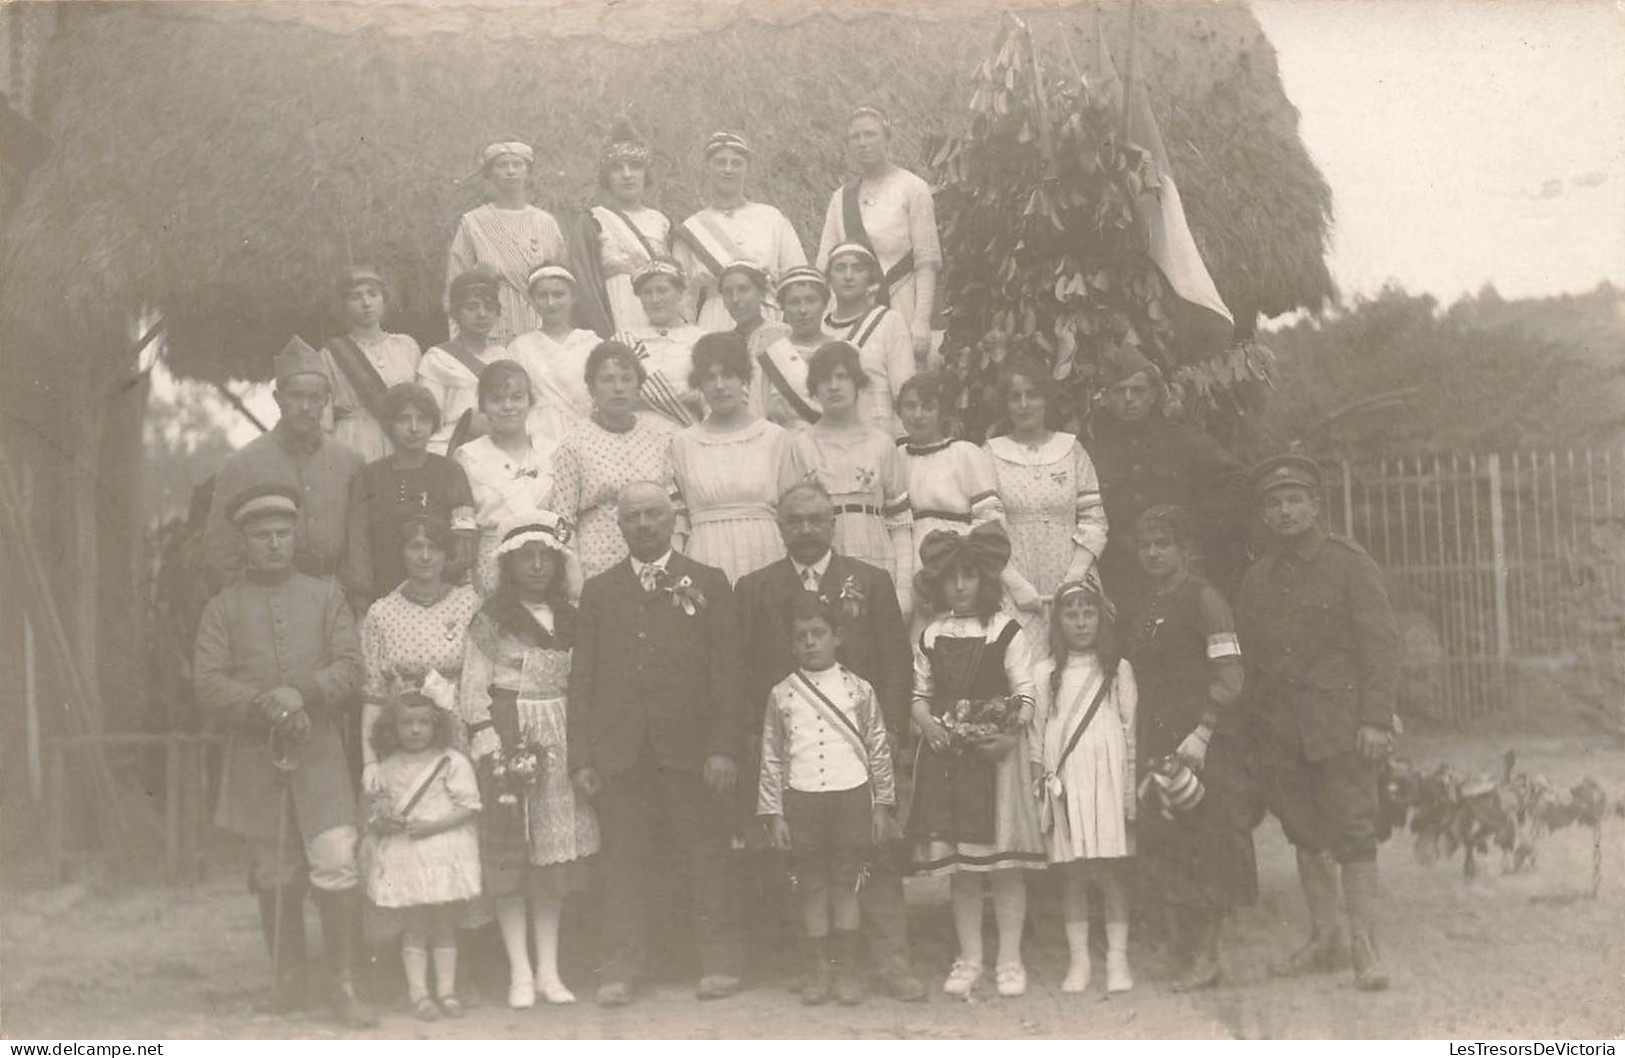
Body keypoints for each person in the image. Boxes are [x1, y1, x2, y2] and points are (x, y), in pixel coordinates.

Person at [192, 484, 374, 1027]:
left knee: (337, 859)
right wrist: (261, 703)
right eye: (261, 536)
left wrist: (306, 692)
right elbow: (206, 682)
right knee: (274, 870)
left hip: (319, 757)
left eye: (282, 534)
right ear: (243, 542)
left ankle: (343, 986)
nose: (274, 544)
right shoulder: (222, 608)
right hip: (256, 757)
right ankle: (288, 984)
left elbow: (351, 665)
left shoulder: (326, 596)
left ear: (295, 536)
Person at [736, 481, 924, 1002]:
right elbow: (746, 672)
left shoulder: (870, 580)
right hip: (795, 753)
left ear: (833, 522)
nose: (807, 529)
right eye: (795, 520)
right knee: (806, 868)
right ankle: (815, 966)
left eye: (817, 518)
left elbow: (895, 663)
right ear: (779, 526)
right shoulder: (755, 588)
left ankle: (890, 963)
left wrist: (890, 737)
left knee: (875, 861)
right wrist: (754, 736)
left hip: (861, 753)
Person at [567, 483, 745, 1006]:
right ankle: (621, 966)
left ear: (672, 521)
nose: (643, 525)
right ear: (618, 527)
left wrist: (724, 748)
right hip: (623, 753)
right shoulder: (600, 592)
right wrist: (583, 758)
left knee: (705, 854)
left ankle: (720, 961)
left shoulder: (708, 582)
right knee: (623, 862)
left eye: (653, 515)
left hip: (691, 751)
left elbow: (727, 674)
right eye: (632, 518)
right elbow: (583, 680)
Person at [1237, 453, 1400, 993]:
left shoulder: (1349, 563)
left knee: (1354, 830)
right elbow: (1253, 659)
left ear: (1314, 506)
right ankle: (1325, 937)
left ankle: (1364, 945)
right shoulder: (1258, 577)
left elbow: (1380, 645)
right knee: (1303, 830)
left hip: (1340, 723)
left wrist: (1376, 720)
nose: (1284, 512)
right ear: (1263, 514)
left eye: (1294, 500)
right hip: (1283, 727)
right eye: (1274, 504)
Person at [460, 509, 598, 1009]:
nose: (537, 566)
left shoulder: (572, 615)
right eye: (527, 558)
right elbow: (473, 691)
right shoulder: (492, 619)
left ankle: (548, 970)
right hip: (513, 736)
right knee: (516, 857)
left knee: (550, 866)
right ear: (509, 565)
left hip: (561, 738)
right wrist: (491, 747)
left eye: (546, 557)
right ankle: (518, 971)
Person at [908, 524, 1045, 998]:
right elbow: (919, 693)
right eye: (951, 578)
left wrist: (1009, 732)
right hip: (949, 759)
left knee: (1003, 867)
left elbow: (1025, 692)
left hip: (995, 760)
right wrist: (926, 722)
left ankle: (1009, 958)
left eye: (969, 576)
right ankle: (969, 957)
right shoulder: (931, 633)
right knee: (963, 870)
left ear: (985, 581)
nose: (960, 586)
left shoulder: (1005, 629)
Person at [1123, 504, 1255, 993]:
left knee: (1207, 842)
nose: (1154, 553)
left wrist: (1203, 731)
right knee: (1170, 841)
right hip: (1159, 736)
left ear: (1185, 548)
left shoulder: (1205, 599)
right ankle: (1185, 951)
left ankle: (1208, 955)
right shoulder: (1149, 602)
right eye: (1146, 545)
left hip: (1202, 739)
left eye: (1164, 543)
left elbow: (1231, 675)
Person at [758, 593, 898, 1007]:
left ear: (838, 637)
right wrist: (774, 813)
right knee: (812, 886)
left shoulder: (859, 690)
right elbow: (770, 754)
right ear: (791, 644)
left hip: (851, 796)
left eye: (818, 633)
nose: (810, 642)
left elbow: (878, 748)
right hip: (802, 799)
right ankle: (818, 968)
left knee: (846, 883)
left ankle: (848, 969)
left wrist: (882, 804)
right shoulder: (781, 694)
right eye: (800, 636)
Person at [1032, 576, 1137, 996]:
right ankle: (1079, 961)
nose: (1080, 623)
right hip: (1067, 779)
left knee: (1111, 872)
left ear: (1101, 618)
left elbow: (1130, 732)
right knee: (1073, 873)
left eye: (1088, 613)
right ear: (1057, 621)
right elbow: (1036, 736)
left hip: (1108, 777)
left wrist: (1128, 791)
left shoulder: (1118, 670)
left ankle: (1118, 958)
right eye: (1070, 614)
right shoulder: (1045, 673)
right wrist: (1039, 785)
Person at [1090, 346, 1248, 610]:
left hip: (1183, 576)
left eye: (1138, 390)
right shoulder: (1095, 451)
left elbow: (1239, 481)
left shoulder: (1185, 440)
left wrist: (1195, 528)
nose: (1129, 399)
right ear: (1107, 398)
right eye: (1120, 391)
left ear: (1152, 394)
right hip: (1120, 581)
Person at [203, 337, 363, 593]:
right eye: (296, 396)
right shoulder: (241, 465)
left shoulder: (351, 462)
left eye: (314, 397)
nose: (305, 407)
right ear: (278, 398)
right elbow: (221, 550)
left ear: (326, 401)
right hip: (268, 601)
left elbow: (359, 545)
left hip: (335, 600)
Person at [362, 692, 482, 1021]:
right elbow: (376, 811)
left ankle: (447, 992)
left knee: (444, 924)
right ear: (392, 728)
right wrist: (383, 820)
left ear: (436, 725)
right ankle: (420, 995)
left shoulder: (452, 762)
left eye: (423, 723)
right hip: (408, 857)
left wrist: (432, 826)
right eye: (407, 723)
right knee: (414, 926)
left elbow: (468, 808)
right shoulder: (385, 768)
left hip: (443, 853)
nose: (416, 730)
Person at [778, 341, 912, 610]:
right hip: (818, 559)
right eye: (825, 379)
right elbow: (787, 521)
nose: (834, 386)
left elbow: (900, 521)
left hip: (875, 554)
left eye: (842, 377)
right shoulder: (800, 445)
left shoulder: (881, 444)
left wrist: (904, 589)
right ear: (815, 389)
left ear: (858, 383)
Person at [983, 357, 1109, 640]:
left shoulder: (1071, 449)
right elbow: (986, 529)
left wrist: (1074, 578)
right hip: (1015, 582)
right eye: (1015, 397)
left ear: (1046, 400)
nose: (1024, 405)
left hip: (1072, 576)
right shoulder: (991, 453)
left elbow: (1094, 521)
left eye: (1033, 395)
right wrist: (1015, 585)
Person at [357, 513, 482, 786]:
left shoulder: (470, 604)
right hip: (402, 733)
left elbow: (485, 681)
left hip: (457, 731)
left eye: (434, 547)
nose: (425, 556)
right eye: (415, 547)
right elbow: (373, 694)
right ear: (401, 553)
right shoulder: (382, 613)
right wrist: (370, 761)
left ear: (447, 553)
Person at [816, 106, 942, 370]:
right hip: (855, 312)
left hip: (903, 303)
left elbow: (926, 261)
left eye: (870, 134)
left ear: (887, 138)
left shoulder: (913, 188)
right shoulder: (840, 198)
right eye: (856, 137)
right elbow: (824, 269)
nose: (863, 143)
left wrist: (921, 321)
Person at [549, 341, 683, 581]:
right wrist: (574, 580)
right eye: (607, 380)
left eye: (626, 379)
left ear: (638, 388)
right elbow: (562, 523)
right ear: (591, 389)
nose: (618, 388)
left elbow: (675, 508)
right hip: (599, 567)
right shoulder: (573, 444)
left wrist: (675, 560)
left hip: (657, 566)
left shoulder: (659, 439)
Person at [343, 383, 477, 608]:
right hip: (384, 595)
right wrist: (362, 597)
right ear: (389, 425)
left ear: (433, 424)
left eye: (423, 419)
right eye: (404, 419)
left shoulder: (451, 472)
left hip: (441, 593)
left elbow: (465, 537)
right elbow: (358, 542)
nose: (414, 428)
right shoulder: (369, 476)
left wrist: (442, 580)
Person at [671, 332, 788, 584]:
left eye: (729, 374)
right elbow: (678, 519)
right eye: (710, 377)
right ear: (699, 384)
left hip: (766, 553)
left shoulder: (775, 438)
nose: (720, 385)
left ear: (744, 378)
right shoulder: (683, 443)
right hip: (705, 556)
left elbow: (791, 511)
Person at [673, 131, 806, 333]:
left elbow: (797, 275)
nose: (728, 169)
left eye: (736, 163)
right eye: (720, 162)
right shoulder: (691, 228)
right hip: (715, 319)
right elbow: (679, 295)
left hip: (766, 317)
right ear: (707, 167)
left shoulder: (770, 217)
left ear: (746, 169)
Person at [446, 139, 568, 344]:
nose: (510, 171)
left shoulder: (546, 223)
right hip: (492, 332)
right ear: (490, 172)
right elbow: (455, 287)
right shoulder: (473, 223)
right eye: (502, 165)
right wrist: (459, 343)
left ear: (528, 171)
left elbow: (563, 285)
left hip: (539, 329)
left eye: (517, 164)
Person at [454, 360, 558, 596]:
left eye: (517, 397)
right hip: (492, 569)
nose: (508, 406)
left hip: (545, 567)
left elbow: (565, 519)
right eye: (497, 399)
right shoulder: (467, 457)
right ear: (483, 406)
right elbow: (464, 528)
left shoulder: (552, 452)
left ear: (530, 402)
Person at [574, 117, 672, 336]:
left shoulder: (662, 222)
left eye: (635, 166)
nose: (627, 174)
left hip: (659, 316)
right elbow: (585, 287)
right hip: (614, 314)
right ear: (606, 177)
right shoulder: (593, 220)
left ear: (645, 174)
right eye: (617, 169)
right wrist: (604, 335)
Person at [897, 373, 1006, 563]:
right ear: (899, 411)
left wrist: (963, 557)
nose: (918, 415)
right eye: (910, 406)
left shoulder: (965, 453)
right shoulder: (895, 457)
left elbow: (990, 517)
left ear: (942, 412)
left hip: (958, 562)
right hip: (908, 562)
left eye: (929, 407)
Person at [320, 265, 423, 464]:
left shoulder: (406, 346)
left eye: (373, 294)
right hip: (353, 443)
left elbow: (421, 404)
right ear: (343, 305)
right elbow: (325, 420)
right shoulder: (331, 354)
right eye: (355, 297)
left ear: (383, 299)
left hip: (400, 441)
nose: (366, 302)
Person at [822, 242, 915, 438]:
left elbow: (905, 391)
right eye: (840, 268)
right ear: (829, 277)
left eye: (857, 268)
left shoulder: (889, 322)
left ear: (869, 277)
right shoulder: (819, 327)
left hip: (877, 440)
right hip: (828, 443)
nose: (848, 276)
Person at [507, 263, 602, 442]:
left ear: (573, 297)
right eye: (542, 296)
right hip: (539, 437)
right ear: (532, 301)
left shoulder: (593, 344)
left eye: (559, 295)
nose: (551, 303)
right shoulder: (519, 348)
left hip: (590, 436)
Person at [418, 266, 507, 456]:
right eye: (472, 307)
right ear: (456, 313)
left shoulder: (503, 357)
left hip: (499, 451)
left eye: (489, 307)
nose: (482, 314)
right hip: (452, 450)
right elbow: (428, 422)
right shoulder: (438, 359)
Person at [613, 258, 707, 428]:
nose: (655, 299)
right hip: (637, 435)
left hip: (686, 431)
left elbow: (710, 396)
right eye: (647, 292)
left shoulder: (701, 340)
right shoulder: (624, 341)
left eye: (662, 290)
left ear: (680, 293)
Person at [753, 266, 833, 433]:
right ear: (782, 308)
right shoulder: (770, 354)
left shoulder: (843, 351)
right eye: (794, 302)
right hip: (784, 447)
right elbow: (757, 413)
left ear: (824, 304)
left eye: (811, 300)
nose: (803, 310)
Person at [720, 260, 789, 365]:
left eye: (743, 289)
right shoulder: (722, 344)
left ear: (762, 293)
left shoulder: (784, 335)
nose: (735, 298)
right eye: (728, 292)